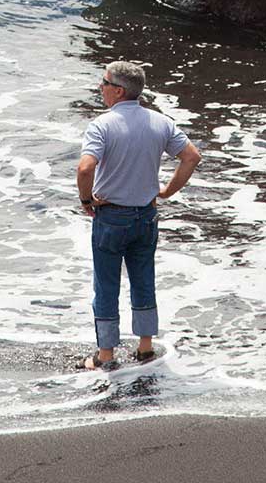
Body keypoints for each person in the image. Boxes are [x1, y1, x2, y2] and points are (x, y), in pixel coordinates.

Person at [75, 60, 201, 370]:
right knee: (143, 280)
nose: (100, 88)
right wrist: (167, 191)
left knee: (106, 284)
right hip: (146, 216)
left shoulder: (102, 125)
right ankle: (145, 348)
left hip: (111, 217)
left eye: (104, 83)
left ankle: (106, 355)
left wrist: (86, 199)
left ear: (118, 91)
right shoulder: (160, 122)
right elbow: (191, 157)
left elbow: (85, 167)